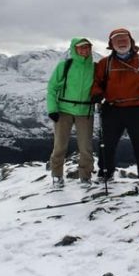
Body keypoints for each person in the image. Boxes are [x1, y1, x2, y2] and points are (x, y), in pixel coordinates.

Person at [90, 28, 139, 188]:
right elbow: (97, 82)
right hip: (112, 108)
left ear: (131, 42)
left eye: (125, 39)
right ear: (111, 44)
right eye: (118, 40)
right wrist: (96, 93)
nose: (122, 42)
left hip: (136, 108)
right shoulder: (105, 63)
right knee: (107, 143)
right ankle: (105, 173)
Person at [46, 37, 95, 188]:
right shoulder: (65, 66)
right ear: (74, 49)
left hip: (85, 111)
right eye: (81, 47)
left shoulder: (95, 67)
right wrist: (52, 109)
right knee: (60, 146)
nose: (84, 50)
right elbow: (52, 87)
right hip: (64, 111)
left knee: (86, 148)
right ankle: (57, 176)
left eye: (87, 47)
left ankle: (85, 177)